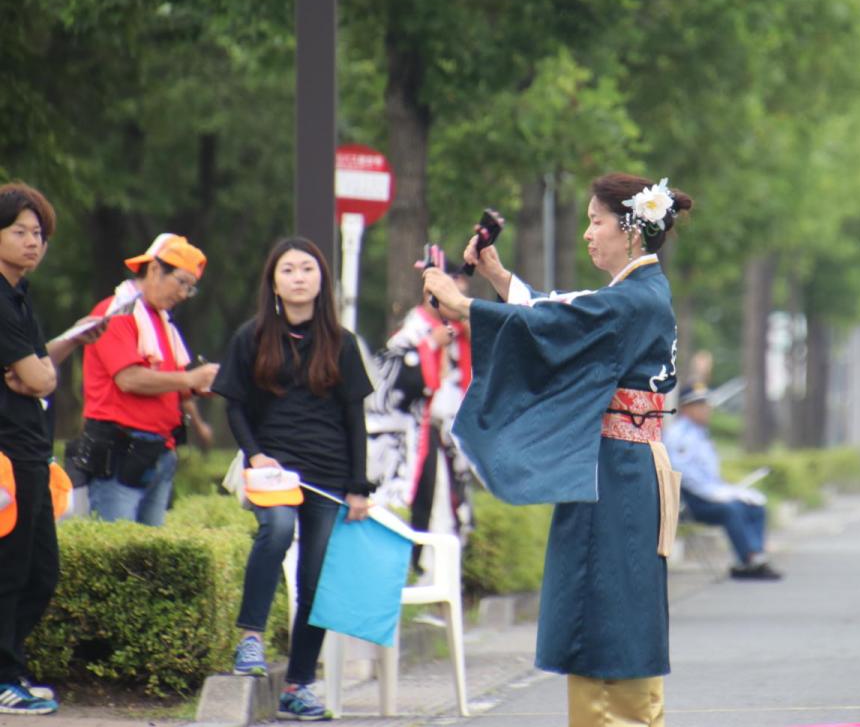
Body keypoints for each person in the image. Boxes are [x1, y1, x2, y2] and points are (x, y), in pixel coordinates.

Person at [424, 174, 693, 727]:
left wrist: (462, 306)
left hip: (614, 474)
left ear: (632, 231)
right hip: (621, 469)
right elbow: (563, 311)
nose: (588, 234)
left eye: (596, 221)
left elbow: (562, 321)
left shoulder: (631, 301)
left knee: (606, 613)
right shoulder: (637, 295)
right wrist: (498, 278)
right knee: (621, 608)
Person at [212, 237, 374, 722]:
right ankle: (250, 640)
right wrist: (255, 455)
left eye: (307, 268)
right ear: (274, 281)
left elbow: (354, 418)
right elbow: (234, 404)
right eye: (288, 270)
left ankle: (299, 685)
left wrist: (359, 486)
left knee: (316, 579)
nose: (299, 277)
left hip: (329, 474)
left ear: (322, 280)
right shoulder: (252, 336)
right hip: (274, 471)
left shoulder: (342, 343)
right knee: (277, 530)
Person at [0, 182, 106, 715]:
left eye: (38, 233)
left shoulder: (19, 296)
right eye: (19, 231)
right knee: (12, 568)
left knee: (41, 571)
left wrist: (39, 370)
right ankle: (3, 678)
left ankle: (11, 668)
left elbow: (38, 373)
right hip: (6, 459)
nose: (32, 242)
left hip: (32, 452)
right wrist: (35, 375)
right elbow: (39, 380)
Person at [80, 233, 218, 526]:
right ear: (155, 269)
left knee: (148, 559)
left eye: (190, 288)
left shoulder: (160, 321)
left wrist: (195, 386)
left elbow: (175, 381)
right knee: (119, 554)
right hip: (120, 452)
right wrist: (190, 378)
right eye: (181, 282)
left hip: (157, 452)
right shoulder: (116, 313)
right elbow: (129, 379)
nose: (183, 294)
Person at [366, 266, 473, 572]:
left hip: (445, 431)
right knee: (426, 504)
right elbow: (392, 383)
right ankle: (423, 574)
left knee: (447, 504)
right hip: (411, 433)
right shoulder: (414, 330)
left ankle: (438, 577)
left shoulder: (457, 330)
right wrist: (430, 345)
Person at [662, 382, 782, 580]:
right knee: (732, 510)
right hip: (690, 498)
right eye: (699, 405)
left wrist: (726, 490)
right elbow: (685, 475)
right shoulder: (679, 435)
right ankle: (749, 558)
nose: (706, 409)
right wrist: (718, 493)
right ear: (685, 408)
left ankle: (754, 560)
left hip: (709, 493)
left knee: (755, 507)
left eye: (706, 404)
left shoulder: (700, 433)